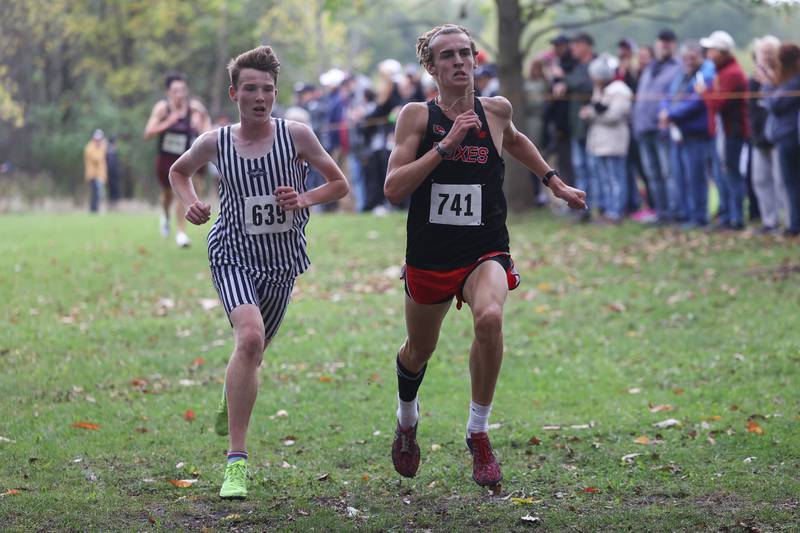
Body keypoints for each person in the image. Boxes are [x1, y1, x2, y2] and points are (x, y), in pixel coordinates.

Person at [383, 24, 586, 487]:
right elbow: (393, 188)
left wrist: (554, 182)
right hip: (431, 254)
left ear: (475, 59)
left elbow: (514, 140)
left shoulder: (496, 110)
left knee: (490, 318)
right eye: (446, 56)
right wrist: (445, 146)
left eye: (464, 53)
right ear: (431, 68)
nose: (458, 61)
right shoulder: (416, 116)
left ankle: (478, 433)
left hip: (484, 247)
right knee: (420, 350)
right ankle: (407, 420)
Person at [168, 45, 349, 499]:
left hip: (282, 261)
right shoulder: (216, 141)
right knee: (248, 338)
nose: (260, 96)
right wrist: (190, 204)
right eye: (250, 88)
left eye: (267, 89)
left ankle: (233, 398)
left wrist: (304, 199)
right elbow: (178, 170)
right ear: (234, 93)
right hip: (232, 253)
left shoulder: (298, 136)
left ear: (275, 93)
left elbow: (339, 183)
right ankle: (236, 463)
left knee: (254, 352)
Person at [144, 71, 211, 247]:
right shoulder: (162, 108)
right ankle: (165, 215)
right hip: (165, 159)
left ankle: (181, 234)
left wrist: (200, 123)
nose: (180, 94)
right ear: (168, 92)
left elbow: (208, 130)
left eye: (182, 90)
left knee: (181, 193)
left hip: (184, 160)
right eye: (175, 91)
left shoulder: (194, 108)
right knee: (167, 196)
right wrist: (168, 122)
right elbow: (148, 133)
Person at [661, 41, 714, 228]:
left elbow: (697, 100)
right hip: (678, 133)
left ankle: (699, 216)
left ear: (700, 57)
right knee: (680, 176)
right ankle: (686, 213)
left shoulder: (705, 73)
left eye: (693, 58)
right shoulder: (681, 74)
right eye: (686, 58)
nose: (689, 61)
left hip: (696, 133)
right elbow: (668, 95)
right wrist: (665, 111)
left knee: (696, 177)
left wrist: (672, 114)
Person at [633, 29, 682, 224]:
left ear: (674, 44)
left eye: (668, 41)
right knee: (652, 175)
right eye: (661, 41)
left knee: (668, 173)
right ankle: (660, 212)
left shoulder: (678, 67)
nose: (664, 45)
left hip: (662, 129)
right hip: (643, 129)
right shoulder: (649, 68)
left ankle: (673, 212)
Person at [581, 54, 633, 223]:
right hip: (599, 142)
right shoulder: (601, 91)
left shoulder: (620, 90)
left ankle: (616, 212)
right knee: (604, 179)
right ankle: (606, 210)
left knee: (615, 179)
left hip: (614, 141)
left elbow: (614, 116)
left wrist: (592, 114)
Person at [763, 43, 800, 236]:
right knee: (790, 183)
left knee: (792, 183)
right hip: (786, 137)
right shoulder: (788, 81)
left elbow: (775, 103)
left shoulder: (794, 82)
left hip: (790, 138)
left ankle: (795, 225)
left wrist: (767, 84)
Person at [83, 129, 107, 213]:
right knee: (95, 193)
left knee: (98, 193)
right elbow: (97, 158)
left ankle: (95, 209)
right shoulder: (90, 147)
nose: (98, 141)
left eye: (100, 139)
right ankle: (93, 209)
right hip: (92, 174)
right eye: (97, 139)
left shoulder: (101, 147)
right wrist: (102, 148)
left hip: (100, 175)